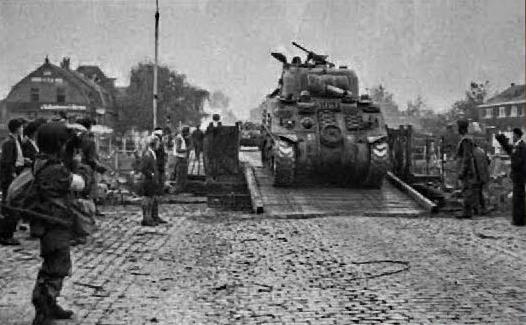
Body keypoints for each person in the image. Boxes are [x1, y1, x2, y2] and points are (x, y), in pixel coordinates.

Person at [29, 122, 91, 324]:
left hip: (48, 220)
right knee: (57, 265)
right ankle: (44, 309)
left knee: (53, 262)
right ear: (58, 144)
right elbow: (79, 183)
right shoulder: (55, 170)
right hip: (54, 221)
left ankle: (48, 303)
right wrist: (78, 164)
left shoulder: (41, 162)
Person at [0, 118, 27, 245]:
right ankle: (6, 235)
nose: (22, 129)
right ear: (17, 128)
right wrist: (12, 174)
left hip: (16, 174)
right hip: (11, 178)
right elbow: (7, 162)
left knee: (14, 206)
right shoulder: (9, 142)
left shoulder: (17, 141)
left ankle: (8, 232)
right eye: (21, 127)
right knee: (10, 206)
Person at [76, 118, 107, 216]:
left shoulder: (76, 138)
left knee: (80, 189)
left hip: (76, 166)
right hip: (88, 168)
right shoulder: (90, 141)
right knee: (91, 189)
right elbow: (91, 158)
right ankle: (92, 209)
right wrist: (100, 167)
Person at [496, 128, 526, 226]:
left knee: (518, 198)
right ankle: (518, 219)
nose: (512, 137)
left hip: (520, 176)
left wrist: (514, 168)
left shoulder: (522, 147)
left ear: (517, 135)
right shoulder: (517, 146)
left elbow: (519, 161)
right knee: (517, 198)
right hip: (518, 176)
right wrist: (501, 139)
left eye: (513, 135)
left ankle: (519, 220)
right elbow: (509, 149)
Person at [455, 119, 480, 219]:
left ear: (461, 128)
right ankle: (468, 210)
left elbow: (467, 157)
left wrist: (462, 171)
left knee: (467, 190)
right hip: (466, 168)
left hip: (467, 170)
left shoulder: (466, 140)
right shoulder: (466, 139)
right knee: (466, 189)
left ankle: (467, 212)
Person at [140, 136, 167, 226]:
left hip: (152, 180)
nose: (159, 145)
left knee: (152, 199)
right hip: (148, 181)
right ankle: (147, 218)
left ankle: (151, 217)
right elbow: (143, 168)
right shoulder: (148, 154)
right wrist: (151, 175)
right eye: (158, 143)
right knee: (148, 199)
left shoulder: (152, 153)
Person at [173, 126, 189, 193]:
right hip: (179, 158)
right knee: (179, 175)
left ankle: (180, 189)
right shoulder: (179, 138)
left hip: (182, 158)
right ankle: (178, 189)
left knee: (182, 175)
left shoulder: (181, 138)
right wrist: (186, 149)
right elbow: (178, 149)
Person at [152, 128, 166, 192]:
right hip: (157, 162)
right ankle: (158, 190)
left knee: (161, 176)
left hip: (160, 161)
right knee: (158, 176)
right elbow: (155, 150)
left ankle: (160, 190)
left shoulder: (160, 141)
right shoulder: (155, 140)